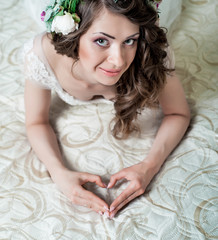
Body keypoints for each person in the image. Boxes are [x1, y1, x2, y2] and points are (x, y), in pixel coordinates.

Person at [23, 0, 190, 219]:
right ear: (75, 34)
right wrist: (58, 172)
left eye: (129, 40)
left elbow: (178, 113)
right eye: (101, 41)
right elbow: (36, 122)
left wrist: (149, 166)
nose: (118, 61)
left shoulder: (151, 51)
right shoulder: (42, 55)